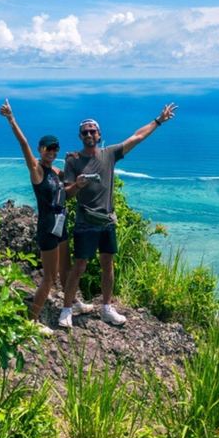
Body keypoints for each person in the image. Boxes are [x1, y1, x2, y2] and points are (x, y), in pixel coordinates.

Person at [58, 103, 178, 328]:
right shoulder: (73, 160)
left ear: (99, 134)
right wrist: (78, 184)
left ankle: (106, 308)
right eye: (85, 132)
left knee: (108, 264)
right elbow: (67, 195)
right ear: (80, 136)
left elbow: (137, 137)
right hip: (85, 221)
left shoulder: (110, 154)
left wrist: (159, 121)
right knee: (80, 265)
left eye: (93, 131)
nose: (89, 135)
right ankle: (66, 309)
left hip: (107, 221)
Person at [0, 99, 93, 336]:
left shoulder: (57, 173)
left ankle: (70, 304)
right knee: (50, 277)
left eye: (54, 149)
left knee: (66, 269)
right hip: (47, 226)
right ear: (41, 150)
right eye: (47, 148)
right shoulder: (38, 170)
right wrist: (11, 119)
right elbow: (23, 144)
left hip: (61, 224)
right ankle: (31, 321)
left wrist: (79, 185)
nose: (51, 152)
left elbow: (68, 195)